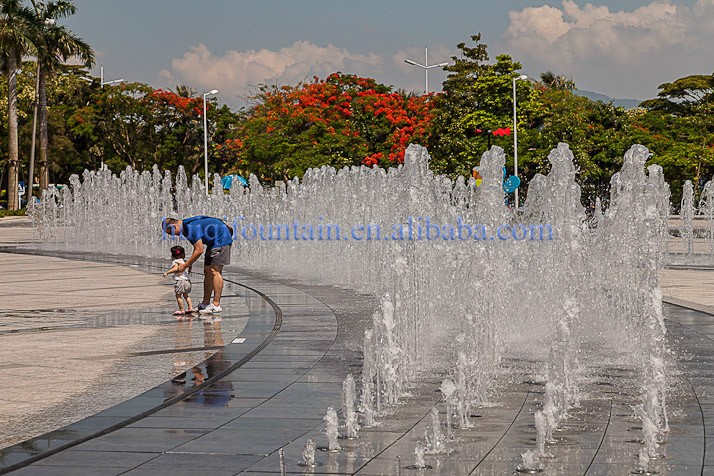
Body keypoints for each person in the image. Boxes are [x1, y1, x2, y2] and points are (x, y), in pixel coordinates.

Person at [162, 216, 233, 316]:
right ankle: (205, 303)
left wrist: (185, 265)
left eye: (171, 232)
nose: (173, 235)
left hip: (221, 240)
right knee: (207, 271)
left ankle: (216, 305)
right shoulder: (187, 226)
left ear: (174, 225)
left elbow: (199, 250)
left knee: (215, 271)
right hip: (213, 243)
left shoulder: (190, 227)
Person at [163, 245, 195, 317]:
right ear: (183, 254)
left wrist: (167, 272)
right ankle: (190, 307)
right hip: (187, 281)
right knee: (186, 295)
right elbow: (190, 267)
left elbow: (175, 269)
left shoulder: (176, 262)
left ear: (172, 255)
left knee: (178, 296)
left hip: (180, 281)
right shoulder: (185, 261)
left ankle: (181, 309)